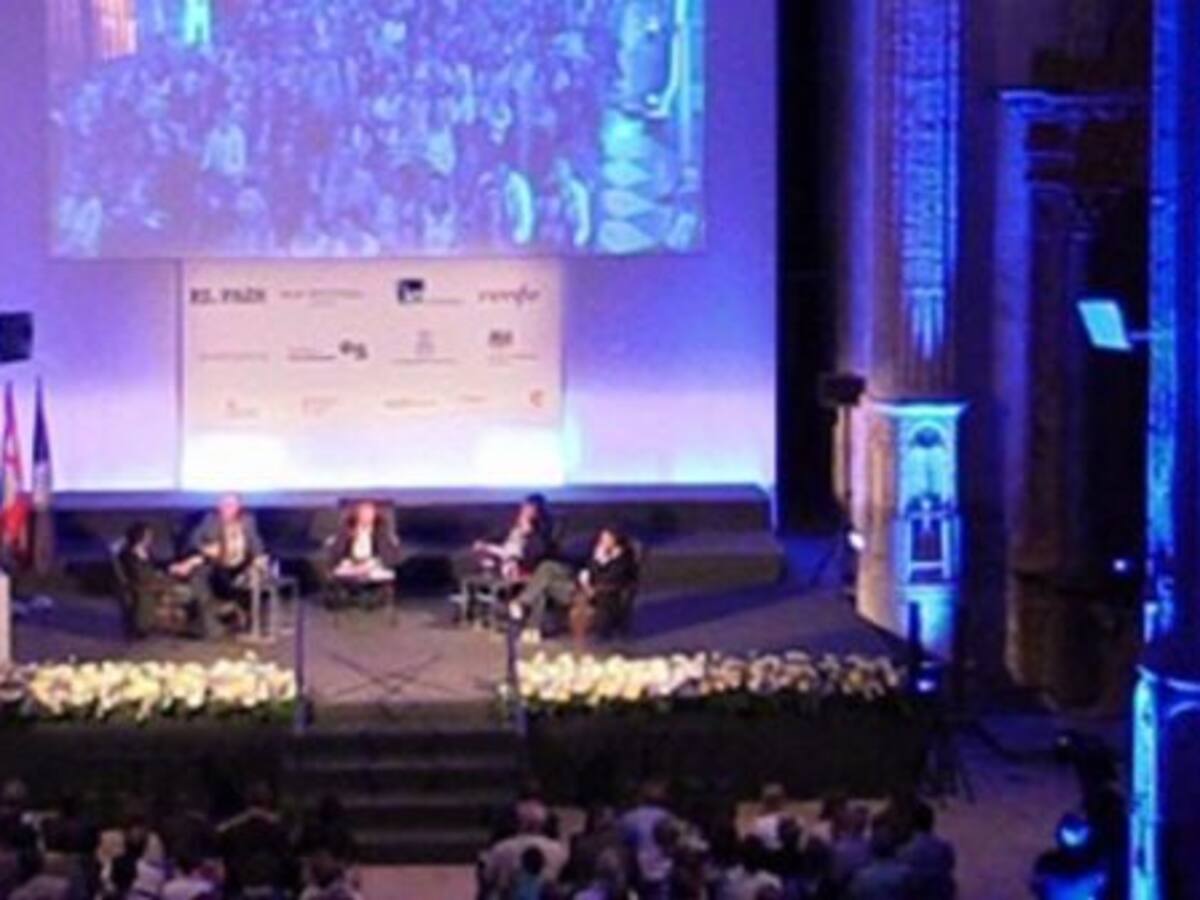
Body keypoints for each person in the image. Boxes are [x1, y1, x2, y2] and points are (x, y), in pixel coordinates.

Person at [116, 522, 212, 639]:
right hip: (147, 585)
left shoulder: (144, 551)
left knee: (189, 588)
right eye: (148, 535)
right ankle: (195, 626)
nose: (150, 538)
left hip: (155, 581)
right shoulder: (127, 555)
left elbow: (156, 564)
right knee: (186, 593)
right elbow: (140, 574)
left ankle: (195, 626)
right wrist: (162, 575)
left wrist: (171, 567)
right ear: (140, 536)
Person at [184, 493, 268, 611]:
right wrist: (206, 548)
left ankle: (241, 609)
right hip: (219, 564)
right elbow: (193, 540)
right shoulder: (210, 520)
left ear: (238, 506)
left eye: (232, 505)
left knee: (255, 575)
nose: (228, 508)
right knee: (200, 573)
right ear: (219, 506)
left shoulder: (247, 520)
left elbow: (255, 542)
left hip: (241, 565)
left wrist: (259, 557)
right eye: (225, 504)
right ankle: (211, 609)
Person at [567, 527, 639, 647]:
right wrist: (594, 566)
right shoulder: (598, 552)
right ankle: (580, 634)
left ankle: (604, 633)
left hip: (613, 587)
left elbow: (616, 575)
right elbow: (590, 569)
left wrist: (605, 562)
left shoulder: (623, 554)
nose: (604, 542)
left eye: (607, 538)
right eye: (602, 538)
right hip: (594, 585)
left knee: (604, 599)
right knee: (578, 598)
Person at [480, 801, 567, 897]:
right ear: (543, 823)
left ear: (518, 822)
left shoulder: (501, 848)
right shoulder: (558, 849)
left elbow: (487, 876)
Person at [326, 500, 401, 609]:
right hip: (350, 565)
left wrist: (371, 565)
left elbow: (390, 556)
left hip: (373, 566)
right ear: (357, 513)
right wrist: (350, 564)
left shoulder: (381, 529)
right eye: (363, 512)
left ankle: (372, 598)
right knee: (337, 581)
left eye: (370, 512)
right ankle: (344, 598)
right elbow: (336, 553)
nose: (367, 516)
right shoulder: (347, 528)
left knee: (380, 583)